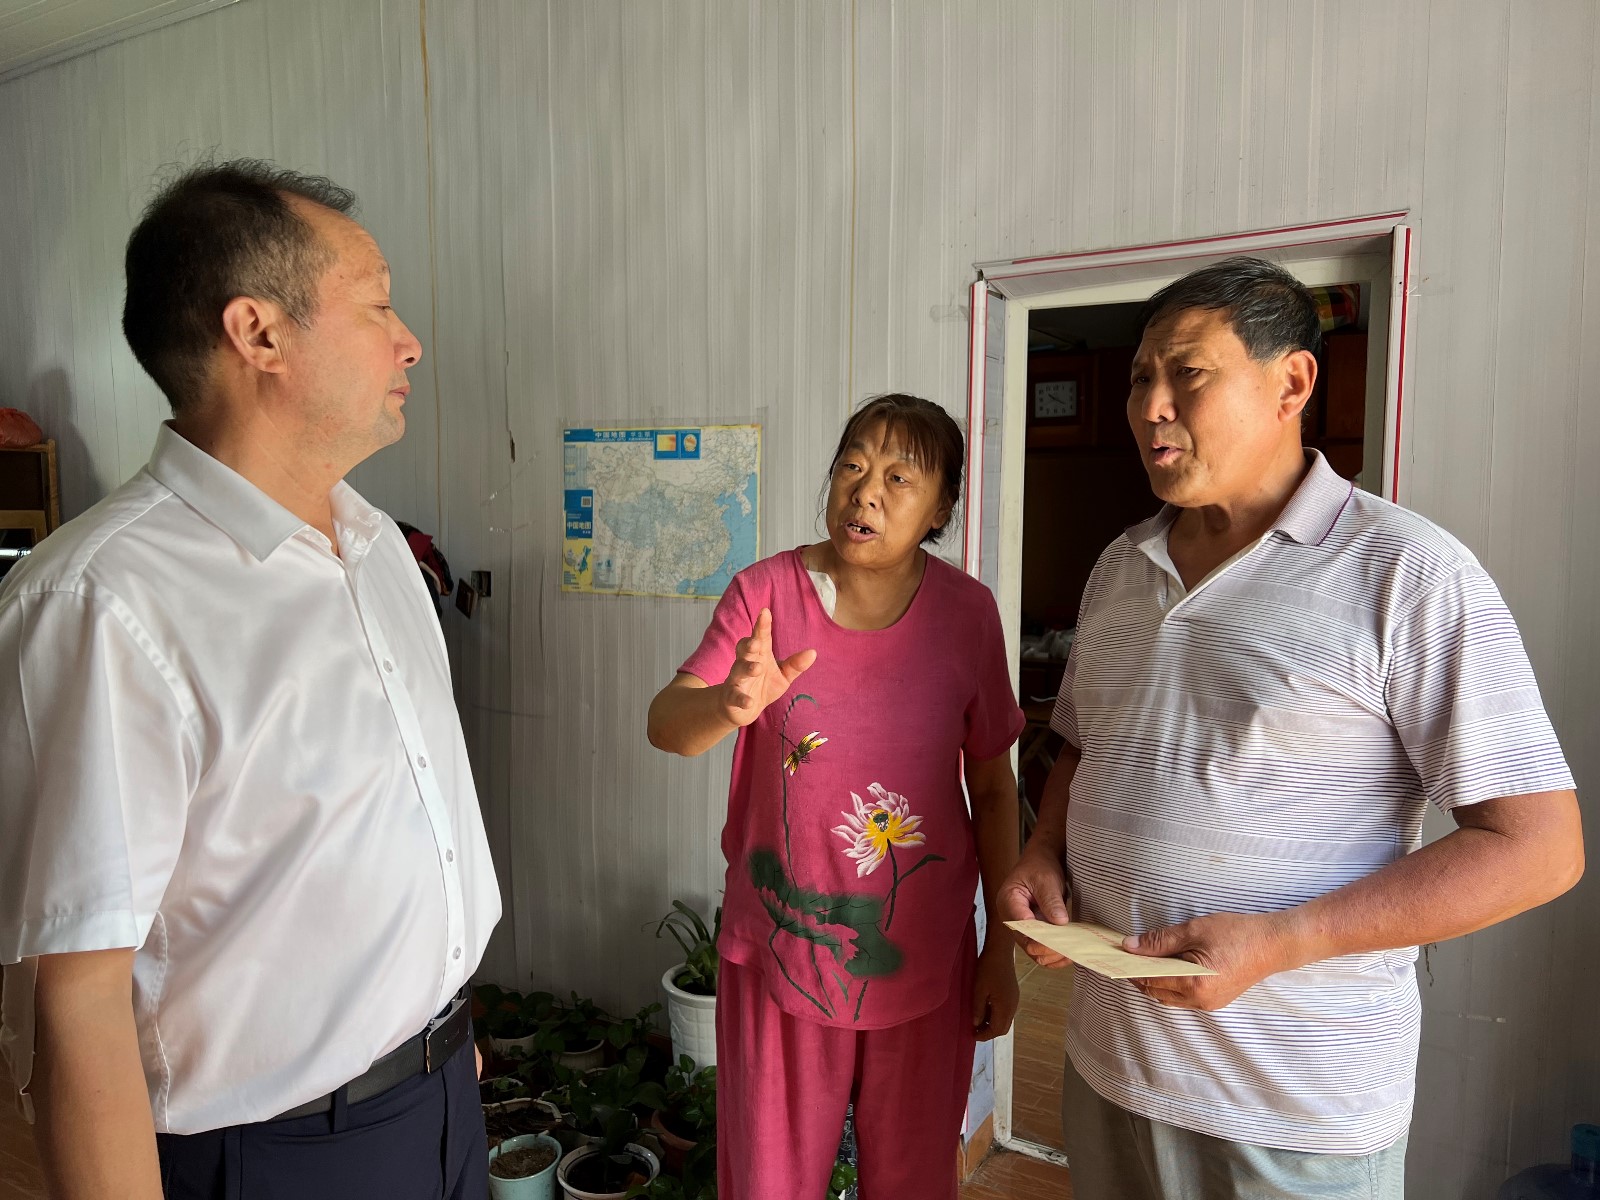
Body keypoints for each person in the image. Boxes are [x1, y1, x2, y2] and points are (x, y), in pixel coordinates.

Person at [998, 256, 1584, 1199]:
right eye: (1141, 377)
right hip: (1111, 1070)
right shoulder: (1120, 566)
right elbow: (1082, 743)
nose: (1150, 406)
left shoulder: (1407, 571)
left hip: (1294, 1112)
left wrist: (1283, 941)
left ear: (1293, 383)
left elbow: (1539, 848)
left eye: (1187, 373)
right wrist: (1041, 851)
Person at [0, 160, 501, 1200]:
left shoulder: (375, 548)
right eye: (377, 305)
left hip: (440, 1094)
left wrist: (437, 1030)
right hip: (275, 1156)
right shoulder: (103, 605)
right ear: (258, 333)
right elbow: (75, 1002)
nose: (409, 340)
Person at [648, 394, 1025, 1200]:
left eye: (899, 477)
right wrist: (728, 707)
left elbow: (994, 789)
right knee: (768, 1185)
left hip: (924, 957)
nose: (866, 492)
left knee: (913, 1184)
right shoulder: (764, 595)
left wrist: (1001, 947)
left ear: (941, 509)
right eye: (853, 466)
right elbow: (667, 724)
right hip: (781, 950)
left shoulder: (968, 615)